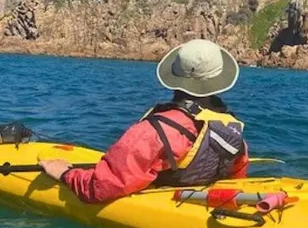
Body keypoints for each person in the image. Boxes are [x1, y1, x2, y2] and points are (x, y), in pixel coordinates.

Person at [39, 39, 249, 203]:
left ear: (174, 76)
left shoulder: (156, 130)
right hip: (200, 201)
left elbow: (100, 188)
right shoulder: (231, 127)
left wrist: (65, 173)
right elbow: (237, 172)